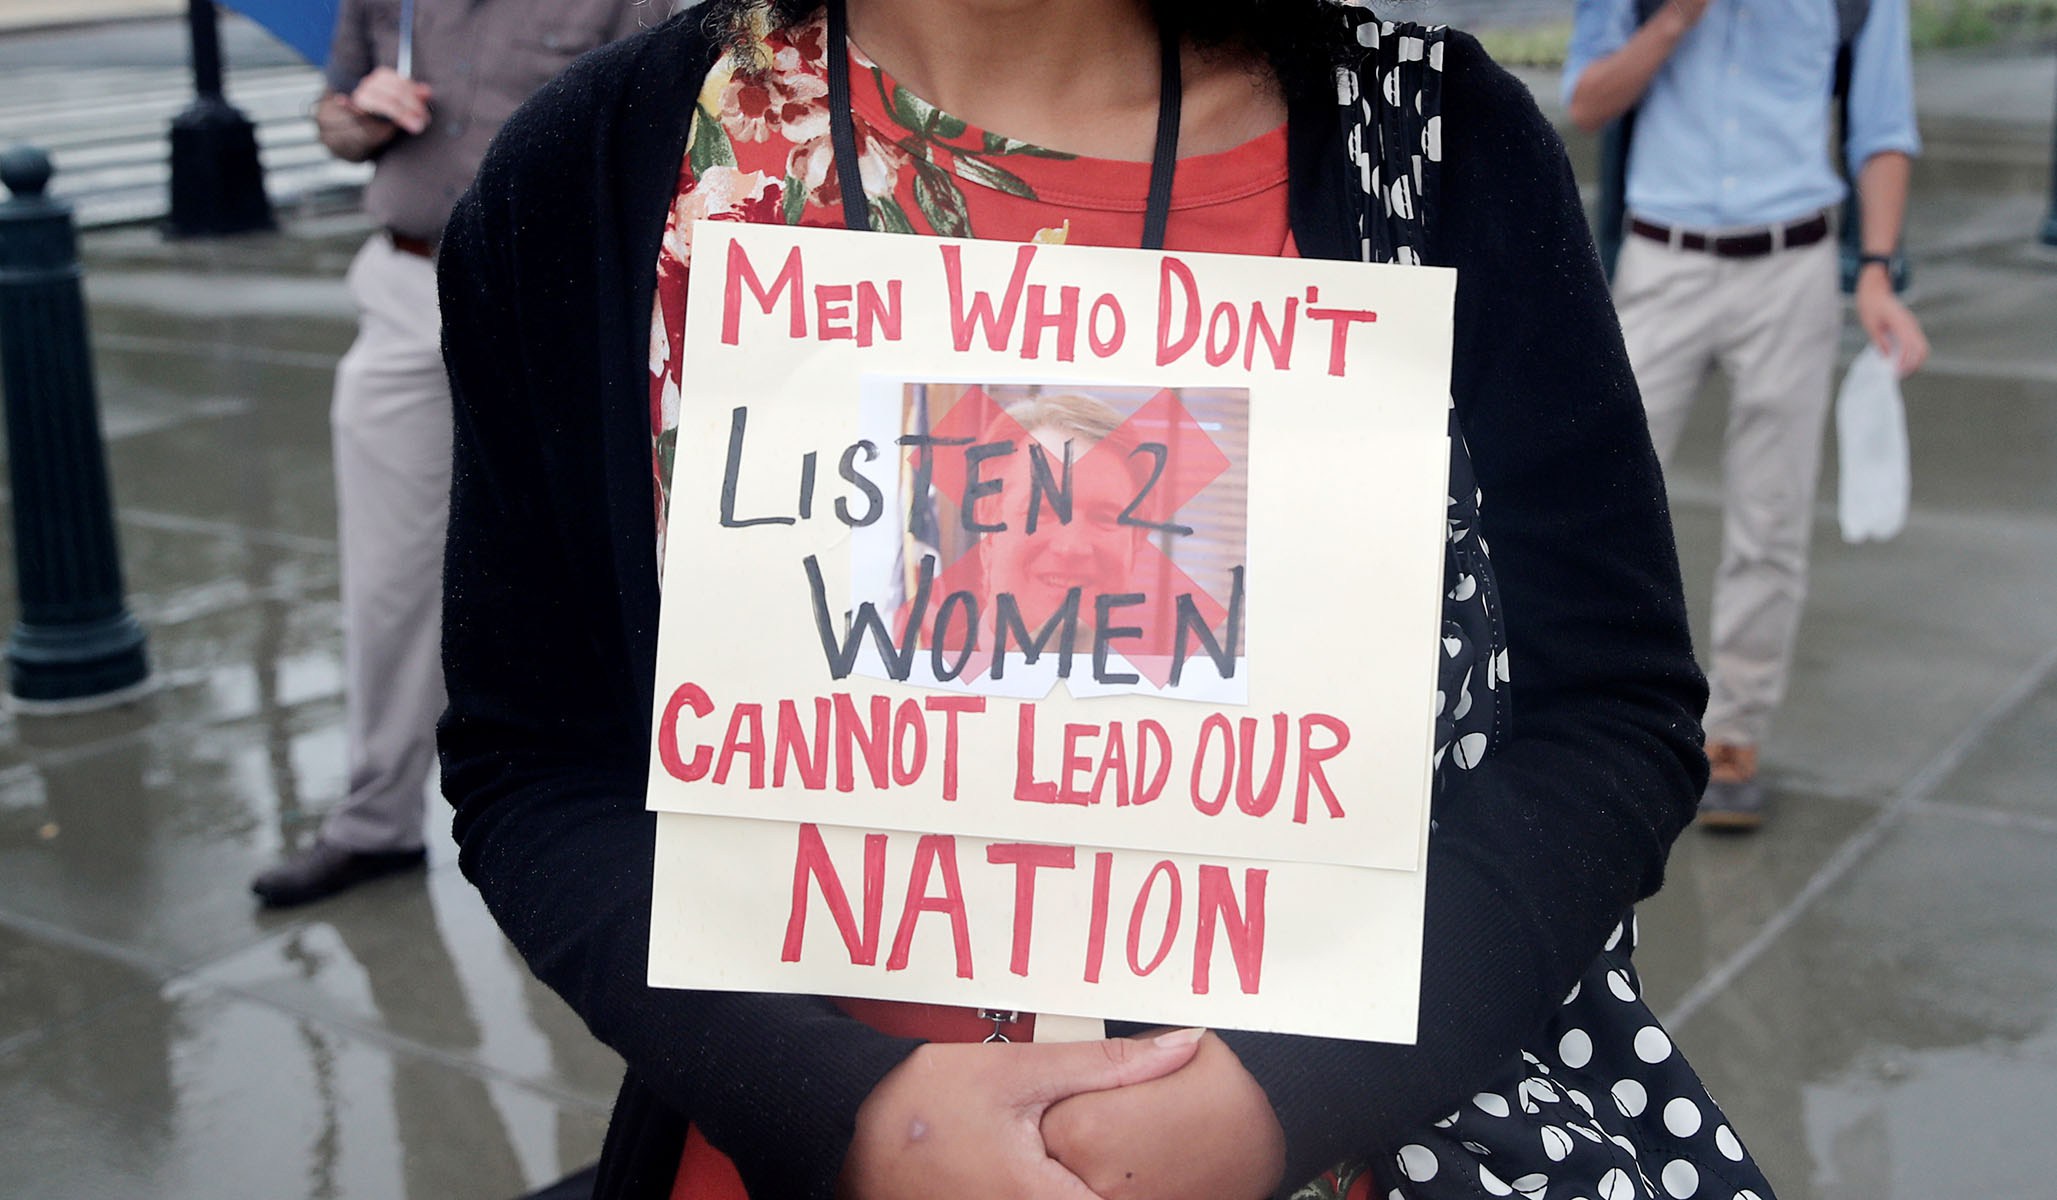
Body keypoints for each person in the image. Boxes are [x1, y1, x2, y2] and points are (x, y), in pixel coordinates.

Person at [436, 1, 1716, 1196]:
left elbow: (1608, 709)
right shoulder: (593, 177)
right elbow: (536, 763)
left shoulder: (1437, 151)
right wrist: (849, 1117)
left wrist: (1287, 1095)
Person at [250, 0, 646, 907]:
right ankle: (376, 823)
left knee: (595, 574)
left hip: (559, 300)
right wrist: (357, 115)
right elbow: (337, 122)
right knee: (387, 581)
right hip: (403, 284)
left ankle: (608, 828)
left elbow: (661, 127)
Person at [1563, 0, 1930, 831]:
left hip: (1790, 263)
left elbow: (1882, 126)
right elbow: (1586, 103)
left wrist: (1875, 270)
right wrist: (1672, 19)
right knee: (1596, 504)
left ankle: (1732, 732)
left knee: (1770, 514)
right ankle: (1591, 713)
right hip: (1661, 259)